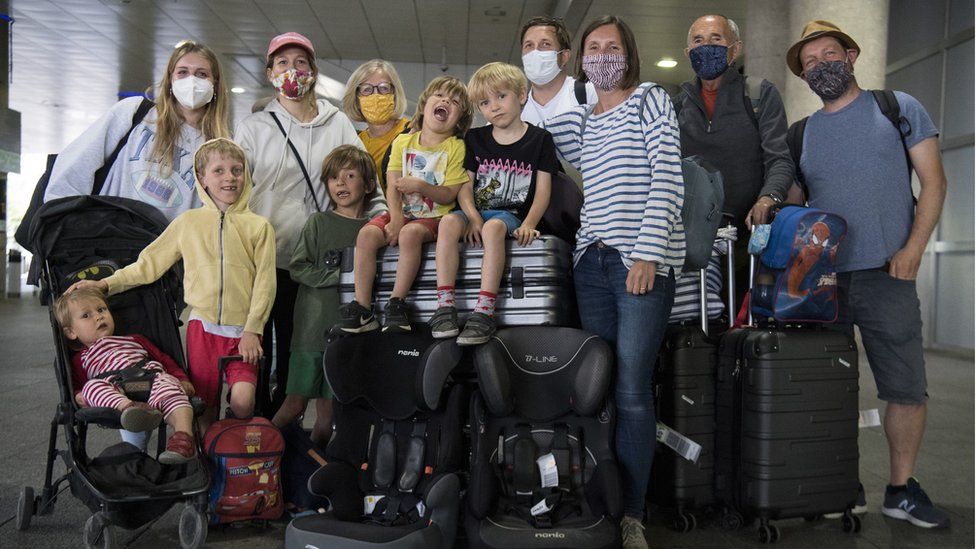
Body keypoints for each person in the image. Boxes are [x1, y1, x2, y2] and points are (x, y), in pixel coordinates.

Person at [787, 20, 949, 529]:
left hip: (887, 273)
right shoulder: (802, 134)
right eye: (810, 63)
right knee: (826, 389)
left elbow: (934, 183)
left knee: (904, 386)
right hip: (823, 285)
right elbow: (795, 209)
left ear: (851, 55)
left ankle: (900, 489)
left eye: (828, 55)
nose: (820, 67)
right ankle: (837, 483)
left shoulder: (895, 109)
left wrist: (913, 249)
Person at [547, 16, 684, 549]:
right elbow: (529, 124)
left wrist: (647, 253)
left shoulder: (651, 99)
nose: (603, 54)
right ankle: (597, 499)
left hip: (639, 263)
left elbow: (668, 177)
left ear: (629, 55)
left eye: (613, 47)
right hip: (592, 263)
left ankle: (632, 515)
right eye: (593, 48)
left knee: (630, 389)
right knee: (596, 387)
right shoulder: (581, 121)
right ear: (580, 60)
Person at [67, 138, 277, 432]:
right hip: (202, 328)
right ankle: (210, 462)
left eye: (237, 170)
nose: (230, 177)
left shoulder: (259, 227)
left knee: (243, 402)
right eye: (219, 171)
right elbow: (148, 265)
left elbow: (266, 282)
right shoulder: (187, 223)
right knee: (206, 406)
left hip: (244, 331)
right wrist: (104, 284)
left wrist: (254, 328)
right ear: (202, 178)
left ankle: (231, 450)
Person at [236, 32, 386, 416]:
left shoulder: (337, 124)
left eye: (300, 63)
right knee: (252, 354)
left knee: (294, 352)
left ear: (313, 72)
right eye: (283, 63)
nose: (292, 70)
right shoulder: (255, 128)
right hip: (260, 257)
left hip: (309, 263)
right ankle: (252, 439)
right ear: (270, 73)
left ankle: (283, 454)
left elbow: (363, 176)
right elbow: (234, 192)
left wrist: (382, 222)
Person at [430, 62, 557, 345]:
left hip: (509, 214)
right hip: (476, 210)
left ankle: (485, 310)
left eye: (501, 97)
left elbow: (543, 191)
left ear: (521, 95)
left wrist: (529, 224)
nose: (495, 107)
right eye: (485, 102)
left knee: (493, 228)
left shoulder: (540, 139)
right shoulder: (475, 138)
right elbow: (465, 185)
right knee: (449, 221)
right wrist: (473, 217)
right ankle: (445, 304)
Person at [675, 14, 794, 304]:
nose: (706, 47)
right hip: (692, 239)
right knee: (694, 321)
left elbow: (780, 158)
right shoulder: (676, 104)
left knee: (743, 322)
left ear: (734, 49)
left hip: (747, 237)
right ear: (687, 51)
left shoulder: (758, 94)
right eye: (698, 41)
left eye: (716, 39)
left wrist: (768, 198)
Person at [340, 76, 473, 333]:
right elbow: (392, 185)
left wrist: (423, 188)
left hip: (432, 217)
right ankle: (363, 307)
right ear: (423, 106)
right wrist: (397, 218)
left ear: (460, 119)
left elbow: (449, 194)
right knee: (366, 235)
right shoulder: (402, 142)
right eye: (439, 95)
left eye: (454, 101)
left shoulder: (456, 147)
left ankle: (397, 302)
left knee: (410, 235)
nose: (445, 100)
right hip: (401, 213)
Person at [45, 40, 231, 222]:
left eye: (201, 74)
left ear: (215, 83)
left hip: (168, 249)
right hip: (109, 242)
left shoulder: (218, 146)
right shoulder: (135, 113)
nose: (191, 81)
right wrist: (63, 223)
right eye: (182, 72)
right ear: (170, 80)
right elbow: (79, 164)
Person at [271, 145, 374, 445]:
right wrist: (342, 278)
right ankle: (260, 454)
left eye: (350, 176)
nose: (340, 184)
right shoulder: (318, 223)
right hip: (310, 332)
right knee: (294, 403)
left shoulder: (373, 230)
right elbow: (298, 268)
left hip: (346, 336)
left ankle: (314, 468)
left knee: (329, 413)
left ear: (367, 185)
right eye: (333, 178)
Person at [55, 288, 196, 463]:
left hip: (149, 380)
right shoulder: (81, 358)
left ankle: (183, 439)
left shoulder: (135, 339)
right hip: (118, 391)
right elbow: (76, 383)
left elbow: (165, 360)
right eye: (86, 315)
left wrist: (181, 379)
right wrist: (78, 395)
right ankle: (133, 410)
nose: (99, 316)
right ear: (70, 332)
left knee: (170, 384)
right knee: (91, 387)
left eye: (101, 310)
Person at [343, 59, 411, 193]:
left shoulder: (412, 132)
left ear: (395, 94)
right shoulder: (354, 143)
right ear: (356, 97)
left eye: (384, 88)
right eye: (367, 89)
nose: (376, 95)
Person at [519, 16, 597, 128]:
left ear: (564, 56)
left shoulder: (589, 94)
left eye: (545, 44)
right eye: (529, 45)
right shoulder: (514, 110)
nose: (535, 52)